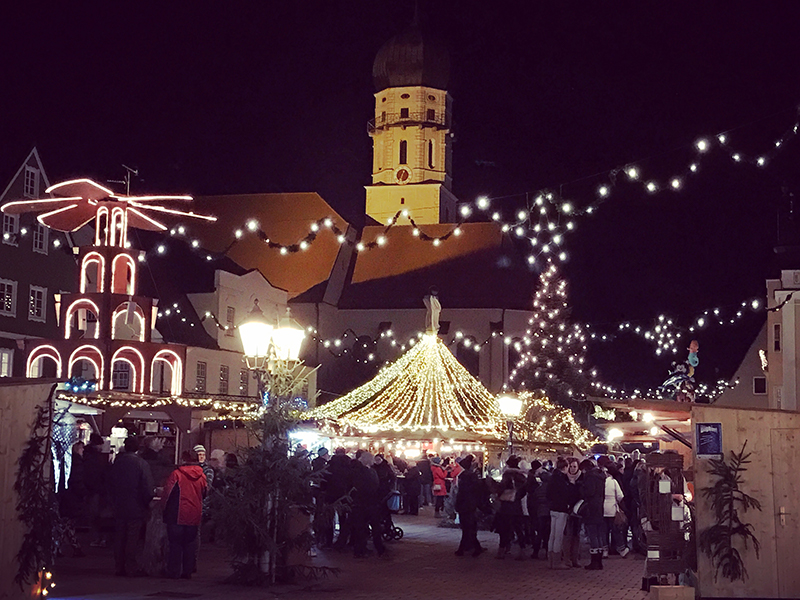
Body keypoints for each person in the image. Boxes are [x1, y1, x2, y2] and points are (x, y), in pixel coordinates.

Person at [109, 437, 154, 577]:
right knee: (132, 538)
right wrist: (147, 502)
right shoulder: (141, 464)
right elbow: (147, 487)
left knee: (120, 536)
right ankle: (131, 566)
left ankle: (119, 566)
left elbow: (109, 484)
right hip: (136, 506)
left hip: (119, 505)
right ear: (137, 448)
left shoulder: (117, 463)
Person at [162, 449, 208, 579]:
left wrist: (163, 509)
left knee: (175, 544)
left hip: (176, 514)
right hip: (194, 513)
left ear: (183, 459)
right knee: (190, 544)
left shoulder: (176, 474)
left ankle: (173, 571)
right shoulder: (202, 476)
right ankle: (187, 571)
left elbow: (167, 494)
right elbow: (205, 493)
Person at [350, 452, 386, 558]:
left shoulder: (355, 472)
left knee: (360, 527)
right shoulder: (371, 472)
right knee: (375, 526)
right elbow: (375, 486)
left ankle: (359, 549)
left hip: (358, 502)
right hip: (370, 503)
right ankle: (379, 548)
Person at [495, 455, 528, 560]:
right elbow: (524, 490)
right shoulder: (522, 475)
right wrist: (517, 497)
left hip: (507, 506)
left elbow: (501, 487)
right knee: (518, 529)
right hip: (517, 506)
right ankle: (522, 551)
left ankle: (502, 551)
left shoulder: (507, 474)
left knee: (505, 529)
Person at [454, 454, 486, 557]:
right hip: (470, 505)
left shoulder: (463, 477)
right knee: (470, 528)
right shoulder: (472, 477)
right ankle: (473, 548)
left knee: (467, 528)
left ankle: (468, 548)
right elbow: (476, 491)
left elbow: (460, 494)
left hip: (464, 505)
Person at [545, 457, 573, 569]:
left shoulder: (552, 478)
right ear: (565, 467)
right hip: (561, 509)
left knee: (552, 535)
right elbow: (566, 494)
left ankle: (550, 559)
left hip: (553, 508)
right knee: (558, 536)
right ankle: (556, 561)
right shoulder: (562, 480)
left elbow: (548, 494)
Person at [579, 458, 606, 570]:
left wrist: (581, 488)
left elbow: (589, 492)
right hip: (599, 507)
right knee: (599, 534)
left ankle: (594, 561)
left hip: (591, 508)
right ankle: (599, 561)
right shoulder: (600, 476)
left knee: (593, 534)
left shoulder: (590, 477)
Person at [84, 433, 110, 547]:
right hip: (98, 490)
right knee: (98, 515)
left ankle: (96, 538)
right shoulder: (98, 458)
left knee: (93, 516)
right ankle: (99, 538)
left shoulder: (87, 456)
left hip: (91, 489)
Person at [598, 456, 628, 557]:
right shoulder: (614, 482)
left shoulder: (600, 482)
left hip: (602, 509)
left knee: (604, 532)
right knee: (616, 531)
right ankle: (621, 550)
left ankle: (605, 550)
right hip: (612, 509)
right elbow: (620, 496)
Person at [526, 460, 551, 559]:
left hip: (540, 511)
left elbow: (535, 498)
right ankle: (546, 551)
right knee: (547, 533)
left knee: (539, 532)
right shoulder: (550, 489)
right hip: (548, 511)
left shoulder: (537, 489)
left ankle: (535, 551)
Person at [562, 458, 583, 567]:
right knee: (567, 535)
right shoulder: (564, 478)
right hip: (567, 509)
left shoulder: (582, 478)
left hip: (578, 510)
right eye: (571, 466)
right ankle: (567, 558)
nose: (572, 469)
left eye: (575, 466)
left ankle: (575, 558)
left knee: (576, 534)